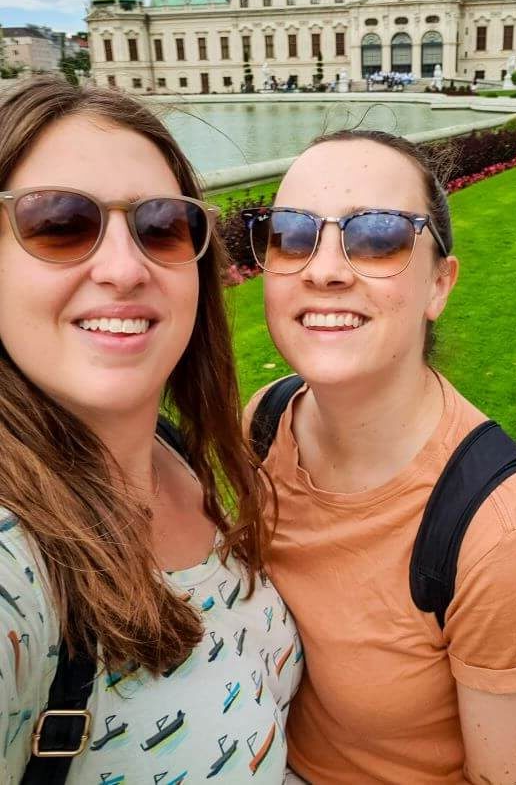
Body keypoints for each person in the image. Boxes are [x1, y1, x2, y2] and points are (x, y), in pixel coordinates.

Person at [242, 130, 516, 784]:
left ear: (439, 284)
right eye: (290, 234)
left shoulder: (504, 545)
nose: (323, 269)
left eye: (377, 237)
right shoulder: (265, 422)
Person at [0, 77, 302, 783]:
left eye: (161, 226)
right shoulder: (14, 560)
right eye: (58, 224)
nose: (124, 269)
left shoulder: (173, 452)